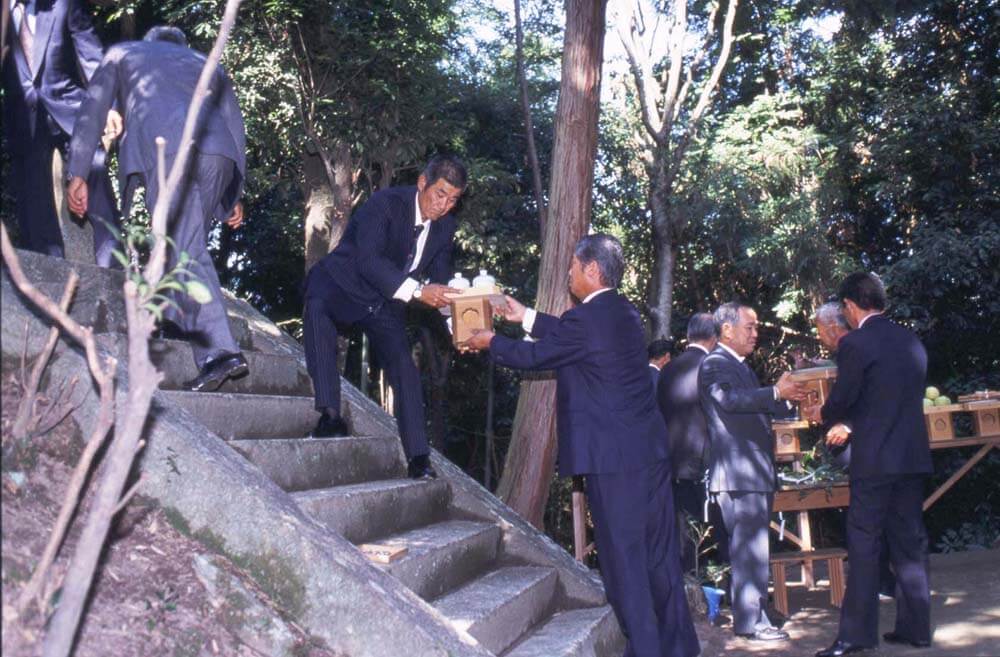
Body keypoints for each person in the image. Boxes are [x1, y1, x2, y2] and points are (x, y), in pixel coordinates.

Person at [462, 234, 699, 657]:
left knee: (624, 564)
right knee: (660, 558)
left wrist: (490, 342)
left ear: (592, 269)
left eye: (572, 267)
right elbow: (572, 336)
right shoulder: (623, 313)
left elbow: (537, 357)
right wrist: (525, 315)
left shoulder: (587, 320)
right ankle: (679, 647)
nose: (568, 274)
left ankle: (645, 649)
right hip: (649, 455)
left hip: (614, 463)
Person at [66, 26, 249, 392]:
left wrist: (78, 172)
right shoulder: (207, 62)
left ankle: (220, 351)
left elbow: (92, 109)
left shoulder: (123, 53)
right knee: (183, 246)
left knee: (184, 248)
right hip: (219, 155)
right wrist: (233, 194)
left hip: (168, 150)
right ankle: (176, 320)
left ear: (150, 43)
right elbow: (235, 125)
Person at [303, 155, 465, 480]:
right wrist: (418, 292)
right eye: (440, 194)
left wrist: (461, 327)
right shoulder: (385, 204)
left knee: (404, 367)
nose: (444, 205)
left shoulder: (446, 227)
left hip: (383, 302)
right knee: (317, 309)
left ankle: (419, 459)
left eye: (453, 199)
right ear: (423, 183)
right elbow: (367, 261)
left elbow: (441, 287)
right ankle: (330, 416)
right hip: (341, 283)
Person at [805, 273, 932, 657]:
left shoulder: (856, 343)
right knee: (910, 543)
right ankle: (917, 629)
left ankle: (855, 637)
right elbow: (889, 398)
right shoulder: (911, 340)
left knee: (864, 545)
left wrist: (822, 413)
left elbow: (844, 398)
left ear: (850, 306)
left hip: (874, 461)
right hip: (911, 457)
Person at [698, 302, 807, 642]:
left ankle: (755, 613)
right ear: (726, 329)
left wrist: (791, 398)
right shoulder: (715, 363)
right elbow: (729, 401)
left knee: (752, 550)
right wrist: (776, 391)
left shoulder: (739, 365)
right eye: (750, 327)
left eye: (757, 327)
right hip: (739, 476)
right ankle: (750, 623)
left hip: (751, 474)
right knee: (750, 551)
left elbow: (757, 403)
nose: (755, 333)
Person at [2, 0, 121, 265]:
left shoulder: (62, 4)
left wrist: (108, 106)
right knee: (34, 205)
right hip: (24, 119)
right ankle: (49, 276)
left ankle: (115, 274)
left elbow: (91, 56)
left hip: (72, 109)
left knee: (96, 176)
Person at [656, 312, 726, 573]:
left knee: (684, 534)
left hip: (672, 461)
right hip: (707, 463)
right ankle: (721, 589)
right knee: (714, 532)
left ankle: (689, 589)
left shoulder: (667, 369)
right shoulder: (713, 365)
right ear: (715, 337)